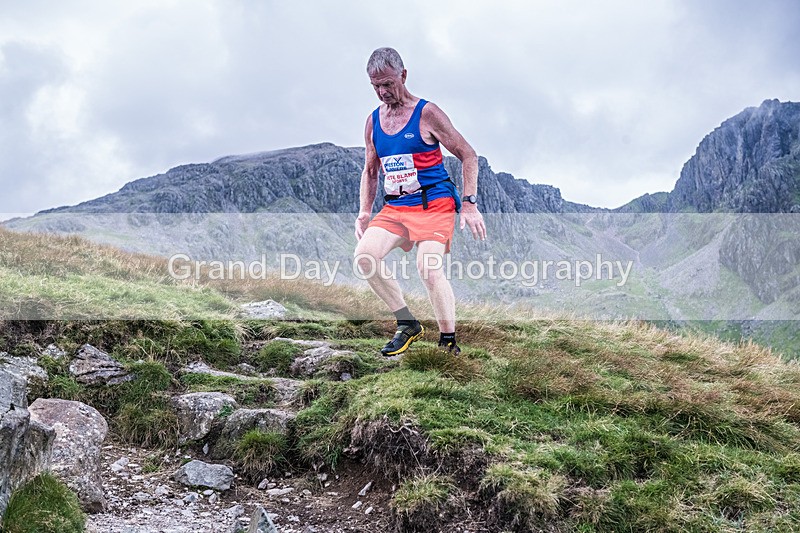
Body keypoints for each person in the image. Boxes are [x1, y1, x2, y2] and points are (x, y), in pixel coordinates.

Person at [354, 47, 487, 357]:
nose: (383, 92)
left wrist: (468, 204)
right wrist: (364, 211)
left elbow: (469, 154)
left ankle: (447, 341)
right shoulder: (373, 122)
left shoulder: (427, 113)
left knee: (428, 267)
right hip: (397, 206)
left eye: (388, 83)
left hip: (434, 202)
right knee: (365, 257)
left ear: (404, 75)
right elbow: (370, 170)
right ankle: (407, 323)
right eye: (375, 86)